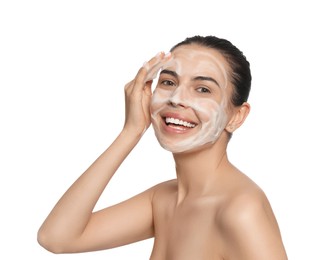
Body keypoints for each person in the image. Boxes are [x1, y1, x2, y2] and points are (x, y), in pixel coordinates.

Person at [37, 35, 288, 259]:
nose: (176, 98)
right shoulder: (164, 199)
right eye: (168, 82)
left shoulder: (241, 209)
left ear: (237, 116)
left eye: (202, 89)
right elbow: (57, 238)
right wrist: (131, 132)